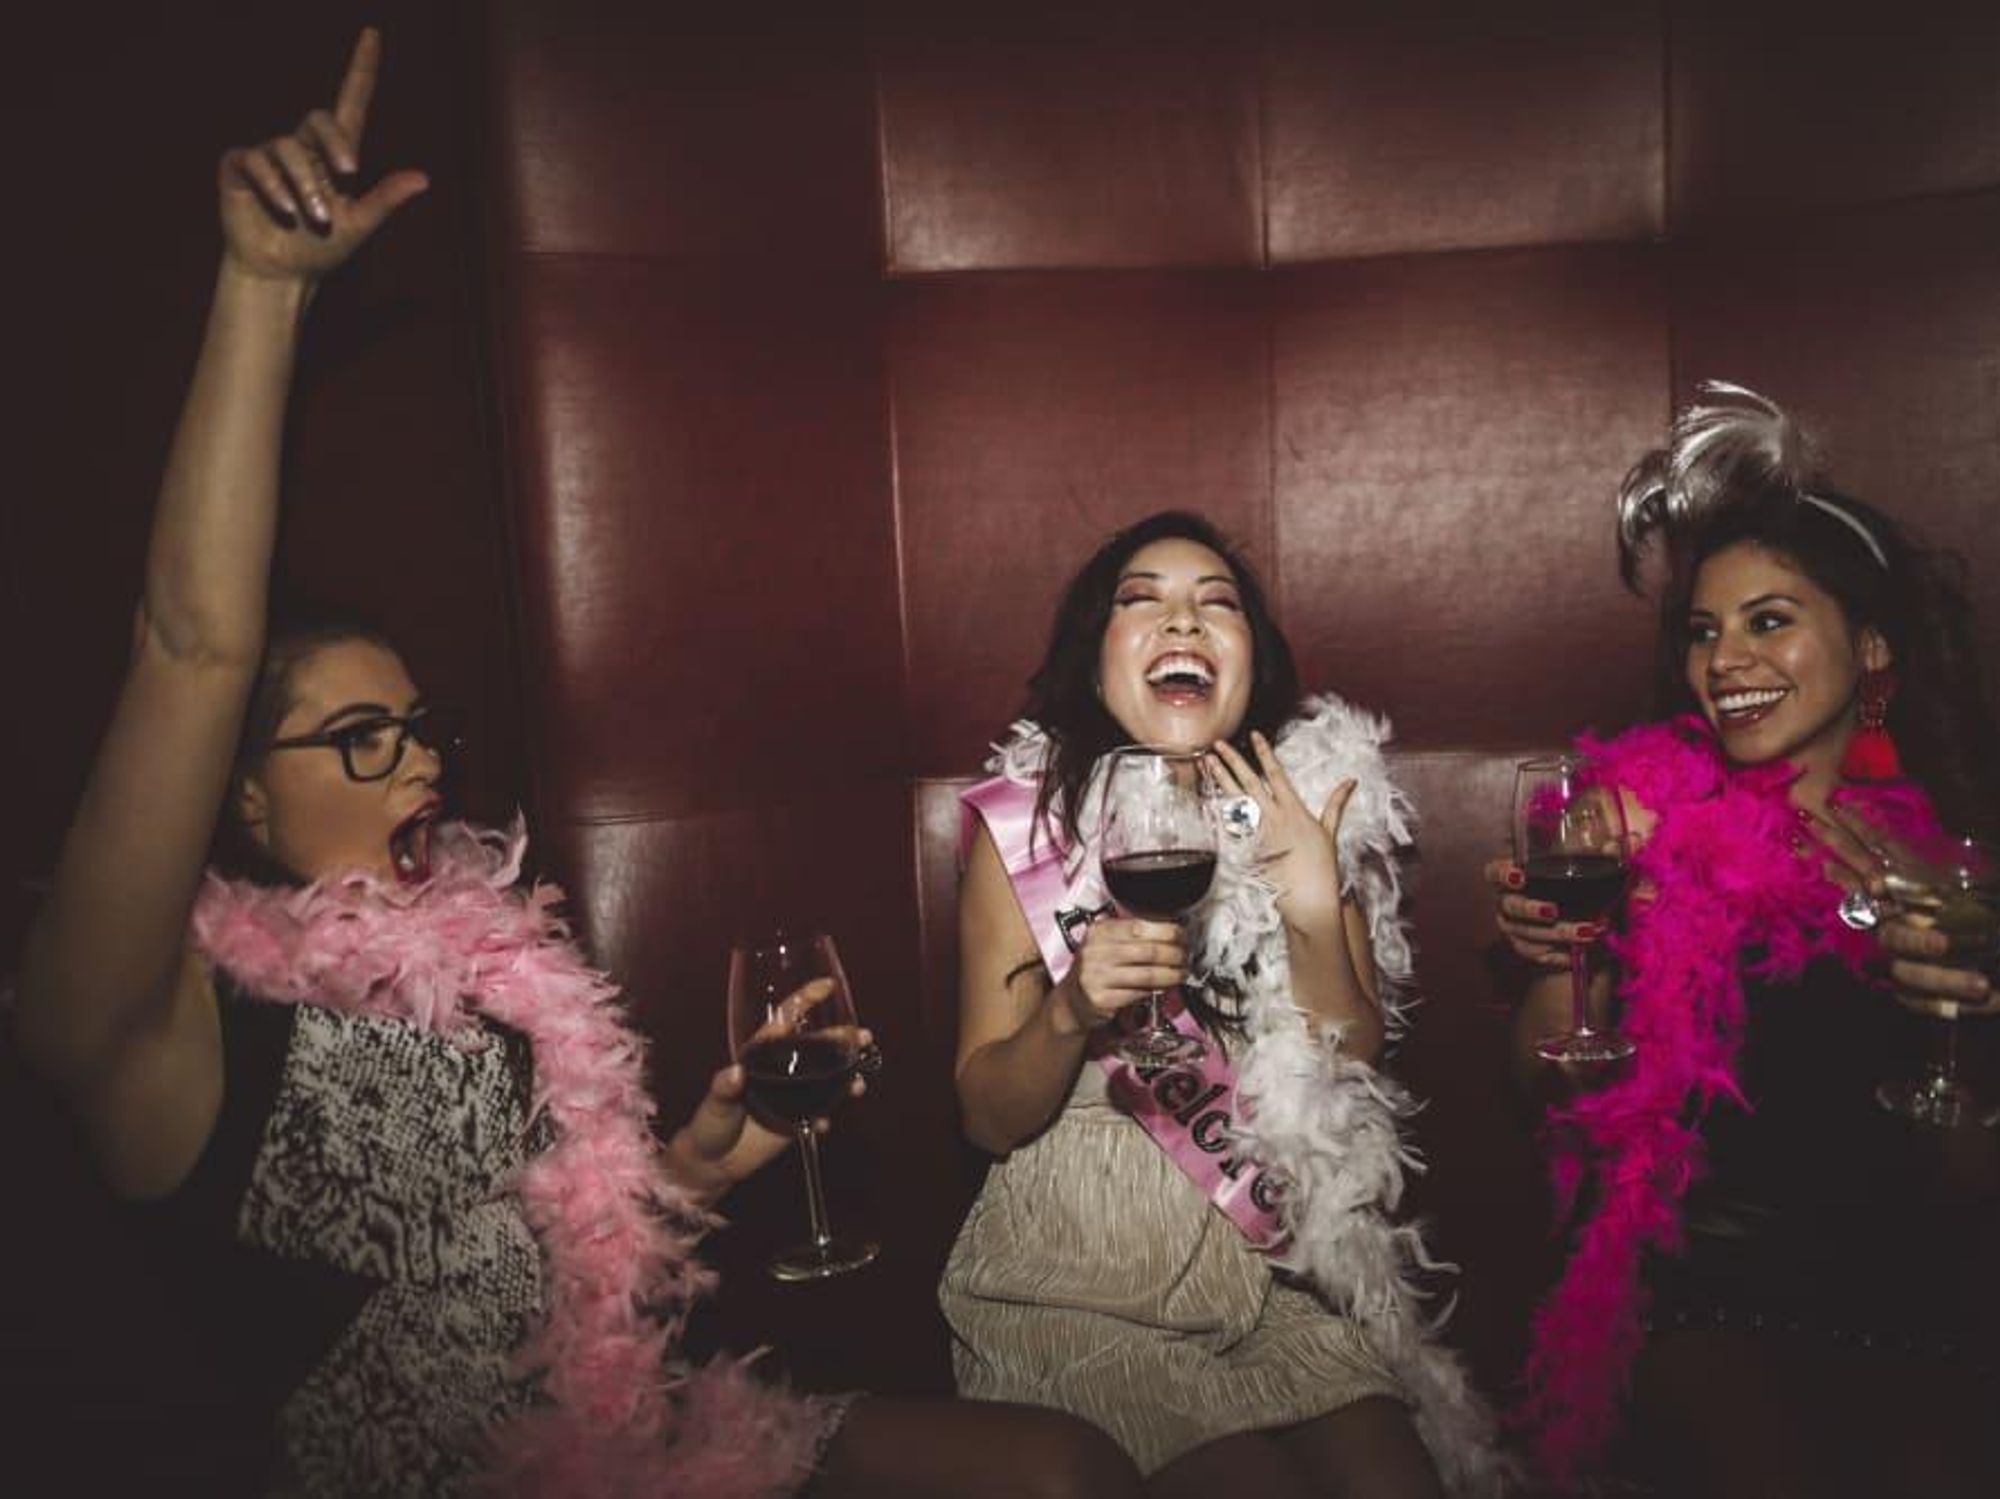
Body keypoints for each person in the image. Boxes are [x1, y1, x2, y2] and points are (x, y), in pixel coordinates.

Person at [9, 31, 1144, 1498]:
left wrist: (711, 1151)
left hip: (648, 1440)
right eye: (362, 736)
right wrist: (263, 294)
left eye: (422, 728)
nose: (415, 759)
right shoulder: (139, 1014)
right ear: (235, 786)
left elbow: (552, 1261)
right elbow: (188, 641)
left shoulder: (476, 962)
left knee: (1068, 1467)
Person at [1492, 383, 2000, 1497]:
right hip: (1700, 1285)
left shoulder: (1946, 878)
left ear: (1869, 649)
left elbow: (1966, 1169)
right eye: (1703, 630)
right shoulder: (1635, 823)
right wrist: (1574, 948)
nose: (1726, 658)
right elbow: (1541, 1076)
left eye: (1769, 619)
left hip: (1906, 1287)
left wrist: (1976, 1016)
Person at [940, 511, 1506, 1498]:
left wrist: (1311, 907)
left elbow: (1350, 1058)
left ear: (1251, 662)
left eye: (1216, 604)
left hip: (1268, 1282)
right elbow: (984, 1115)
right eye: (1141, 600)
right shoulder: (1021, 830)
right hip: (1075, 1283)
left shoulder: (1310, 805)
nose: (1182, 622)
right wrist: (1071, 1012)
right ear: (1096, 657)